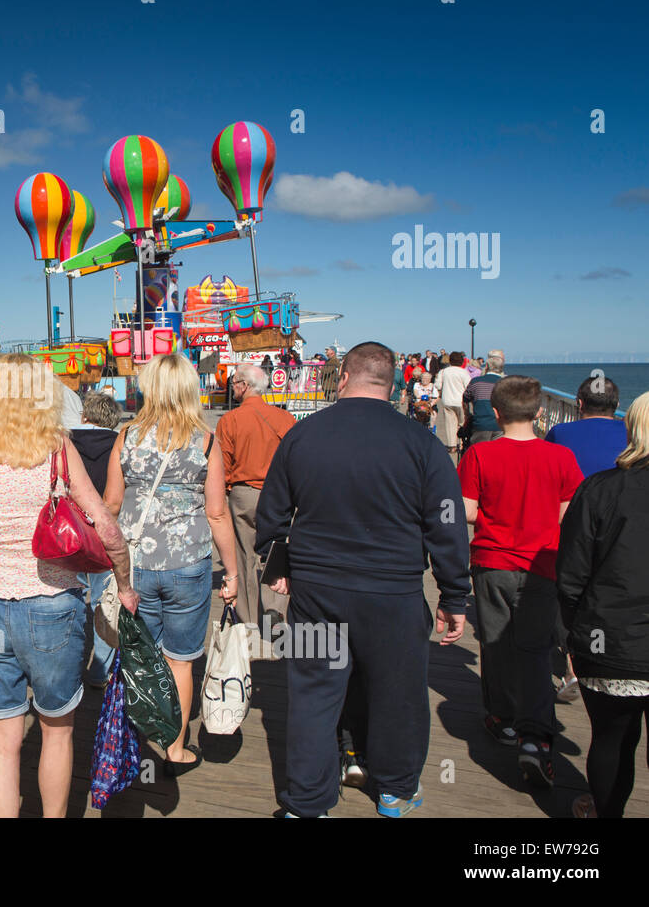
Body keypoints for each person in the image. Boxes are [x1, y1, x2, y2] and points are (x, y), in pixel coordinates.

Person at [256, 341, 470, 818]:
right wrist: (454, 594)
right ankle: (394, 791)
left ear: (345, 378)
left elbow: (270, 517)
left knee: (314, 694)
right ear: (391, 385)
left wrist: (283, 567)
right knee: (398, 694)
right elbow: (447, 524)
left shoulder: (302, 436)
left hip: (317, 592)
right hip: (392, 594)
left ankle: (308, 803)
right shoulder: (421, 442)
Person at [0, 354, 133, 817]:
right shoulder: (57, 447)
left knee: (3, 741)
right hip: (51, 605)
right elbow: (107, 527)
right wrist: (123, 582)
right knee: (57, 731)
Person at [104, 353, 239, 776]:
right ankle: (175, 749)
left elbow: (109, 505)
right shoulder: (205, 440)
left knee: (140, 658)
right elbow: (217, 513)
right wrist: (232, 572)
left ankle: (137, 743)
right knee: (181, 661)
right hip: (188, 564)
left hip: (135, 564)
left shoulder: (126, 436)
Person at [457, 376, 584, 789]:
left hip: (492, 562)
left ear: (495, 413)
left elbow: (468, 511)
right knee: (534, 649)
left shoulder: (479, 455)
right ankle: (535, 737)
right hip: (542, 566)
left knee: (494, 643)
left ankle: (502, 718)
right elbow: (570, 514)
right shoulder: (561, 457)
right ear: (540, 413)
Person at [556, 392, 649, 818]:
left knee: (612, 739)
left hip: (609, 640)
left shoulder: (600, 489)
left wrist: (575, 633)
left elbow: (572, 572)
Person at [215, 362, 297, 635]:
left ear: (245, 386)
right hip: (280, 494)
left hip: (243, 494)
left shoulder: (230, 420)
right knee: (274, 553)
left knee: (245, 556)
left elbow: (223, 464)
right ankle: (275, 617)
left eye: (235, 382)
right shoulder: (285, 419)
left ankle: (248, 623)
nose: (233, 387)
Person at [69, 391, 124, 687]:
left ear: (84, 416)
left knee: (70, 600)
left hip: (69, 535)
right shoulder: (119, 445)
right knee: (104, 604)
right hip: (104, 534)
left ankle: (70, 667)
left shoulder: (64, 443)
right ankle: (100, 671)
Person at [544, 375, 628, 476]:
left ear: (580, 403)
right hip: (618, 490)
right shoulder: (631, 433)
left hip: (575, 491)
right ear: (617, 405)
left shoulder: (558, 432)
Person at [434, 351, 472, 462]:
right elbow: (468, 386)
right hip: (460, 401)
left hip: (447, 400)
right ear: (461, 361)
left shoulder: (444, 371)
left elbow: (437, 385)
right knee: (462, 422)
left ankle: (452, 445)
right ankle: (461, 443)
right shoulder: (463, 372)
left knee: (450, 423)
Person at [463, 351, 507, 445]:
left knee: (480, 453)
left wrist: (467, 414)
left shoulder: (476, 382)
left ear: (486, 366)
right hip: (500, 425)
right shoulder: (506, 383)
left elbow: (465, 399)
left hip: (481, 424)